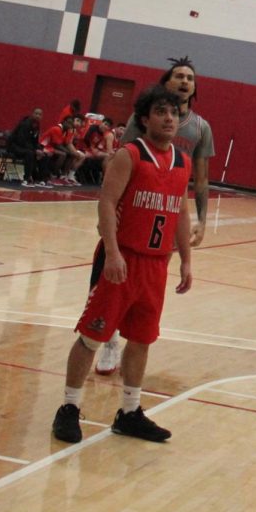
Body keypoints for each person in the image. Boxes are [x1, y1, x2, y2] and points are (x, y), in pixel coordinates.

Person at [51, 85, 193, 444]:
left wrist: (187, 260)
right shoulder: (130, 155)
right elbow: (105, 203)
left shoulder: (182, 161)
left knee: (142, 339)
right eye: (161, 112)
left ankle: (130, 411)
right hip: (122, 258)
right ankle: (68, 407)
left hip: (156, 263)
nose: (169, 119)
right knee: (92, 335)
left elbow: (180, 211)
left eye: (174, 113)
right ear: (144, 119)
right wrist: (112, 253)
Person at [96, 57, 212, 376]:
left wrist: (201, 219)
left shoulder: (201, 128)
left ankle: (130, 369)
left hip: (166, 211)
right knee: (110, 282)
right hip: (133, 206)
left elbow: (201, 179)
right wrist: (110, 208)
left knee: (144, 298)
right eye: (178, 76)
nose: (185, 81)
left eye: (190, 77)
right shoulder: (143, 119)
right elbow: (122, 158)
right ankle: (107, 340)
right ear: (167, 82)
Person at [6, 108, 50, 187]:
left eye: (40, 114)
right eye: (36, 113)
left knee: (44, 155)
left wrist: (40, 150)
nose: (37, 116)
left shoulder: (36, 126)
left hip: (26, 147)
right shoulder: (25, 124)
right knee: (30, 154)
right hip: (15, 146)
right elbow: (21, 141)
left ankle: (41, 179)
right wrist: (35, 150)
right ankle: (26, 179)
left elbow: (35, 142)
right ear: (32, 114)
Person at [41, 114, 84, 186]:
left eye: (71, 123)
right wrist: (68, 152)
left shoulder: (65, 130)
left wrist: (70, 152)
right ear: (64, 122)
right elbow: (57, 145)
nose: (70, 125)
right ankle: (53, 176)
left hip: (52, 147)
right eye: (69, 123)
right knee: (63, 154)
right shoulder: (57, 129)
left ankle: (63, 177)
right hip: (44, 146)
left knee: (71, 155)